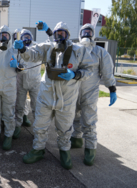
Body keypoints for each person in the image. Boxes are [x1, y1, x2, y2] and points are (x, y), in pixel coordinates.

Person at [14, 21, 94, 169]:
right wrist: (23, 49)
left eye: (62, 33)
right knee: (40, 125)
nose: (59, 37)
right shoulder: (48, 47)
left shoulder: (79, 50)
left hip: (67, 97)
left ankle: (64, 151)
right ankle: (38, 149)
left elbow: (89, 70)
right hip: (46, 95)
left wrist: (75, 74)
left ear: (68, 35)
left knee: (64, 127)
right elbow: (32, 54)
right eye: (57, 34)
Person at [70, 24, 117, 166]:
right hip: (74, 90)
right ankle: (76, 139)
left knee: (89, 120)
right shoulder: (74, 49)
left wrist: (112, 89)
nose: (86, 34)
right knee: (74, 116)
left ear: (93, 35)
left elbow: (108, 71)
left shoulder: (100, 52)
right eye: (84, 32)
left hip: (90, 92)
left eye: (89, 32)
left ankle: (90, 147)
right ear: (79, 34)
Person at [0, 25, 26, 150]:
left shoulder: (15, 51)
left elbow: (24, 69)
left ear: (10, 37)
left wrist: (18, 65)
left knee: (8, 114)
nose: (4, 38)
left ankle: (8, 136)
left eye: (6, 35)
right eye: (2, 35)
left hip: (9, 89)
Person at [13, 29, 42, 139]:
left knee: (36, 107)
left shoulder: (37, 47)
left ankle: (38, 131)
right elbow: (15, 63)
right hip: (21, 81)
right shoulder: (17, 49)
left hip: (35, 83)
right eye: (24, 37)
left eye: (28, 36)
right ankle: (17, 126)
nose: (26, 39)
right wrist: (17, 66)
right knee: (19, 106)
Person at [13, 28, 32, 127]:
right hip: (17, 79)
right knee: (18, 101)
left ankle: (25, 117)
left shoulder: (31, 48)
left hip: (29, 80)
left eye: (28, 37)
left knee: (27, 102)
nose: (26, 39)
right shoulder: (14, 49)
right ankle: (17, 122)